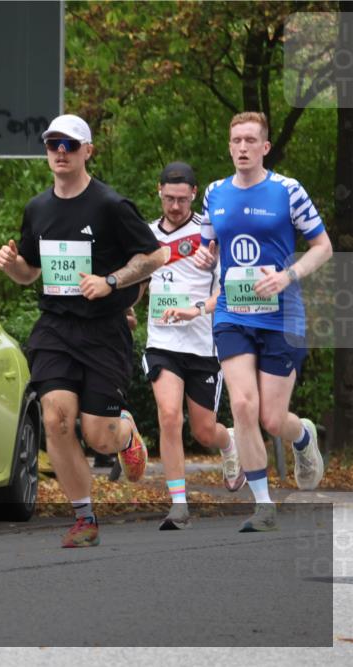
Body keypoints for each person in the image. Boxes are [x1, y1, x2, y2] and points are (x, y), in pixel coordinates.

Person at [0, 114, 165, 548]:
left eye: (70, 145)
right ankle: (84, 517)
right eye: (53, 145)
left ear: (88, 151)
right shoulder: (37, 208)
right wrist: (15, 268)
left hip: (104, 329)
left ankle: (124, 431)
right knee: (55, 418)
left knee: (97, 434)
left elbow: (154, 256)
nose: (61, 152)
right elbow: (31, 272)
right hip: (55, 327)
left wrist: (110, 281)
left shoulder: (110, 206)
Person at [192, 111, 331, 532]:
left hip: (281, 315)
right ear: (230, 145)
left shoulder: (287, 191)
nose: (242, 147)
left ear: (265, 147)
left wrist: (287, 275)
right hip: (233, 312)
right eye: (236, 140)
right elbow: (207, 247)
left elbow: (322, 246)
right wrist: (204, 257)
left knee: (273, 418)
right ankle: (263, 504)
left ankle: (302, 436)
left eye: (251, 140)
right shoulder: (215, 192)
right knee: (242, 406)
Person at [140, 161, 245, 531]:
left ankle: (228, 442)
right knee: (169, 416)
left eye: (182, 200)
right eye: (169, 198)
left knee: (204, 431)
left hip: (202, 344)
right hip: (161, 342)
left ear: (194, 194)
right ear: (159, 191)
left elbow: (229, 289)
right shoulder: (145, 234)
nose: (174, 207)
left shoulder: (211, 233)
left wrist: (196, 306)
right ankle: (179, 504)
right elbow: (136, 280)